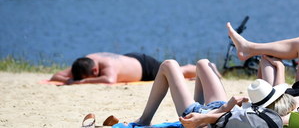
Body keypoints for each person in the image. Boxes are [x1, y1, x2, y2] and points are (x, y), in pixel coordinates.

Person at [127, 58, 296, 128]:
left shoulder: (251, 120)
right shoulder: (278, 116)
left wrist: (226, 107)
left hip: (202, 115)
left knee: (169, 65)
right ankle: (194, 102)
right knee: (203, 63)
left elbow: (215, 120)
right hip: (218, 107)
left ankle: (144, 120)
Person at [50, 52, 196, 84]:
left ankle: (202, 69)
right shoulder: (84, 63)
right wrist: (70, 79)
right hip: (129, 60)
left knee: (178, 71)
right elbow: (55, 76)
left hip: (144, 66)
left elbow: (109, 80)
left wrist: (80, 82)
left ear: (95, 71)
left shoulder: (107, 64)